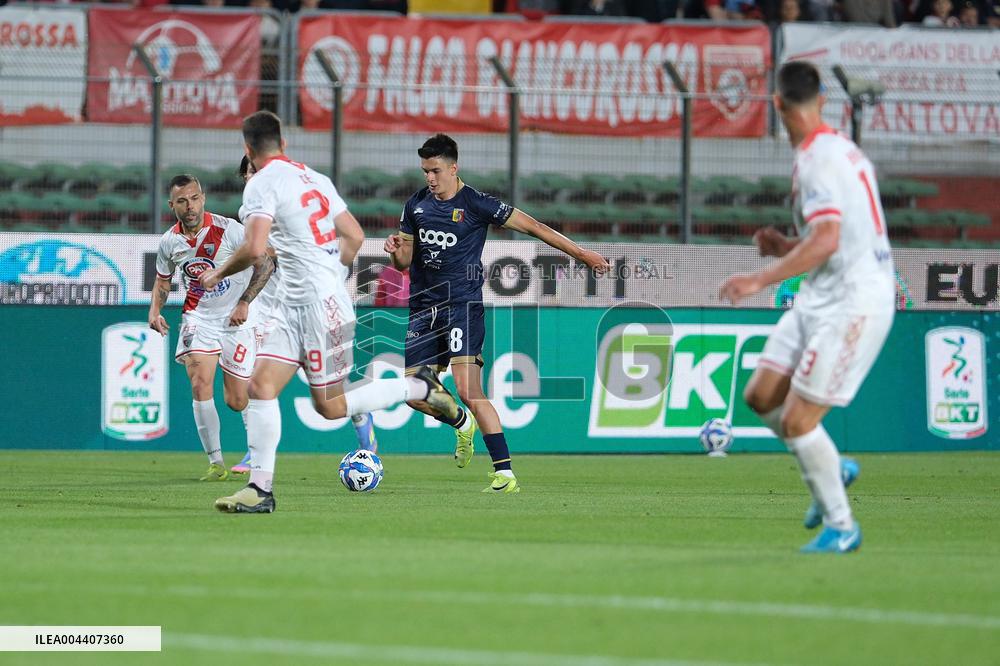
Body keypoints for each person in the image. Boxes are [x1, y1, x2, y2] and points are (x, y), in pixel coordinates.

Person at [200, 111, 458, 513]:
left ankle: (418, 387)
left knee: (331, 407)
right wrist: (332, 274)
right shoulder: (314, 178)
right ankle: (260, 490)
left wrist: (216, 273)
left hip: (318, 308)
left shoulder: (260, 183)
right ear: (283, 142)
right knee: (261, 388)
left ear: (248, 149)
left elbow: (253, 248)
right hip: (298, 305)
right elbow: (354, 234)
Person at [719, 61, 895, 554]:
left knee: (799, 422)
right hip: (822, 292)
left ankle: (842, 527)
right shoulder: (839, 149)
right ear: (822, 99)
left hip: (854, 301)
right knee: (761, 394)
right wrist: (785, 247)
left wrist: (761, 277)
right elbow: (828, 237)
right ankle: (832, 466)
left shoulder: (819, 161)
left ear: (776, 104)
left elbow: (829, 239)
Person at [383, 134, 610, 494]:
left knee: (469, 388)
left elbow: (534, 226)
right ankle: (460, 423)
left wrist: (581, 255)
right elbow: (405, 262)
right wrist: (394, 252)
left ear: (453, 167)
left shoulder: (476, 203)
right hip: (423, 308)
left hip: (462, 306)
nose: (429, 178)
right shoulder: (416, 206)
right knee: (414, 393)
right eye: (425, 171)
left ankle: (504, 473)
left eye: (435, 170)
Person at [225, 157, 380, 475]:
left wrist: (335, 276)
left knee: (329, 392)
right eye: (250, 173)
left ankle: (362, 411)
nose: (255, 177)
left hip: (306, 307)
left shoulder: (287, 211)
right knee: (258, 380)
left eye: (257, 170)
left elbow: (347, 239)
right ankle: (255, 455)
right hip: (268, 308)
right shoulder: (251, 219)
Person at [148, 174, 275, 482]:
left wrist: (245, 302)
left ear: (203, 198)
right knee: (199, 382)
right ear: (172, 205)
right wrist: (155, 309)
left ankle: (256, 451)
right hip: (198, 318)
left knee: (237, 400)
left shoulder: (229, 230)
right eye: (182, 201)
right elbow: (163, 280)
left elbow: (267, 262)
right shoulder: (169, 242)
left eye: (194, 198)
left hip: (236, 319)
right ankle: (216, 463)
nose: (189, 206)